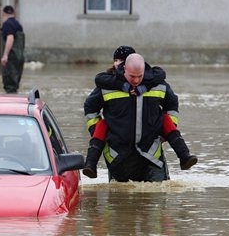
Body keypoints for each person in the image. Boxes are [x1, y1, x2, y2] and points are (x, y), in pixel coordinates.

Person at [83, 46, 198, 179]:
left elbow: (172, 104)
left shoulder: (157, 83)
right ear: (124, 68)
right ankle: (91, 163)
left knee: (159, 195)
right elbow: (90, 108)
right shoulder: (107, 85)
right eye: (132, 76)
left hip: (151, 154)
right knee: (119, 197)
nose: (136, 80)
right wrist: (97, 130)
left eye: (139, 76)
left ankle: (184, 155)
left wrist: (167, 130)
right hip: (119, 155)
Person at [0, 5, 25, 93]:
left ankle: (10, 104)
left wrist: (5, 55)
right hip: (19, 57)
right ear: (14, 14)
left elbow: (10, 38)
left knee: (9, 84)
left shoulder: (7, 24)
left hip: (11, 57)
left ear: (4, 14)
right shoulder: (18, 24)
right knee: (15, 84)